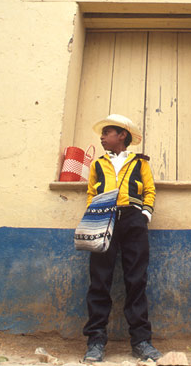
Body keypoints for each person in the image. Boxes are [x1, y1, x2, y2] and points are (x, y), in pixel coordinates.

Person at [82, 114, 162, 362]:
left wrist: (144, 216)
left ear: (122, 135)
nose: (102, 137)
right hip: (103, 220)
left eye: (107, 133)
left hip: (132, 222)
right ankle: (95, 341)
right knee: (99, 280)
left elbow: (149, 190)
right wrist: (93, 217)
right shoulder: (97, 165)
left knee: (136, 280)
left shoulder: (140, 163)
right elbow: (90, 193)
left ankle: (141, 342)